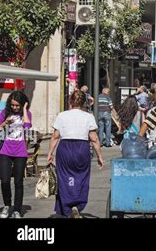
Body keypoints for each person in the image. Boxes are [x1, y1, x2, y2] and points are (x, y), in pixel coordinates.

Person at [47, 90, 104, 218]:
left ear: (70, 101)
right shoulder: (89, 117)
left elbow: (55, 136)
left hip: (65, 148)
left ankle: (67, 206)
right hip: (81, 148)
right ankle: (77, 205)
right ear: (84, 103)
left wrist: (50, 153)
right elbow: (94, 138)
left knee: (65, 176)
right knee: (81, 177)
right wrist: (100, 156)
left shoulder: (62, 115)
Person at [0, 91, 32, 218]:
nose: (15, 107)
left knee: (18, 182)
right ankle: (7, 205)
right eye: (13, 105)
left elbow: (27, 126)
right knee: (5, 180)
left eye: (17, 105)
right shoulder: (4, 113)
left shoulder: (26, 113)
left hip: (20, 152)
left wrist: (24, 109)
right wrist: (4, 123)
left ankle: (17, 210)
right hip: (5, 150)